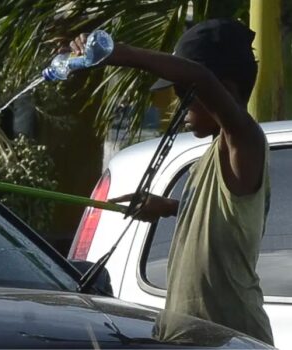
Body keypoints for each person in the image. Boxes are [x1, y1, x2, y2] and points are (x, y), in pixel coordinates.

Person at [69, 19, 273, 345]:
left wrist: (119, 54)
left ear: (225, 90)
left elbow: (200, 77)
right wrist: (169, 207)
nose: (180, 105)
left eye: (183, 93)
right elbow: (225, 219)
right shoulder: (212, 158)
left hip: (231, 340)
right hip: (192, 339)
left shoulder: (244, 141)